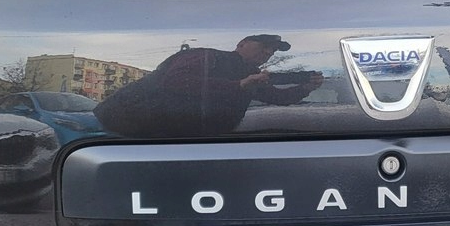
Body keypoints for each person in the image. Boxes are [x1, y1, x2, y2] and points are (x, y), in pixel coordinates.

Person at [94, 34, 323, 137]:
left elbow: (277, 98)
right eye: (264, 45)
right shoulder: (208, 56)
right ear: (242, 44)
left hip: (183, 137)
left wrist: (305, 88)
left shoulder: (251, 75)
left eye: (272, 50)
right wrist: (238, 85)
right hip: (126, 127)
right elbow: (175, 81)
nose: (268, 52)